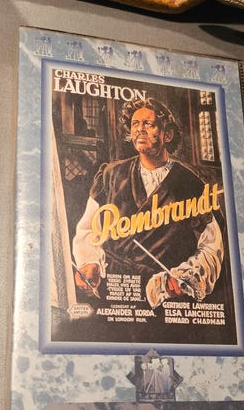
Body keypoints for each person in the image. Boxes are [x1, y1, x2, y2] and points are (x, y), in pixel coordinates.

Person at [72, 97, 223, 307]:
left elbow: (211, 245)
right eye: (135, 124)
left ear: (167, 134)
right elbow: (87, 229)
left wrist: (184, 278)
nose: (139, 129)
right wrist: (90, 262)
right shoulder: (111, 174)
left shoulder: (191, 183)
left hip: (163, 292)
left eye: (148, 124)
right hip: (115, 290)